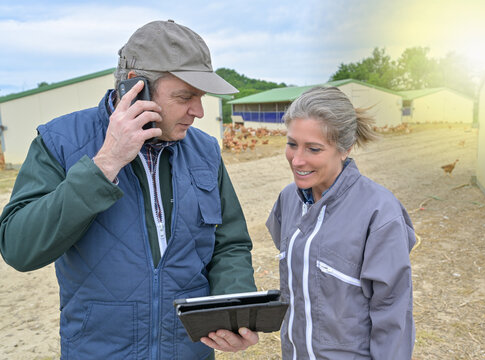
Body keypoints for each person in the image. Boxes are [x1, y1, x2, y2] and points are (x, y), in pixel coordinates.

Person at [0, 20, 258, 359]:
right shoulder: (58, 142)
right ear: (135, 87)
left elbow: (230, 244)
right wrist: (104, 164)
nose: (199, 111)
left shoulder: (205, 150)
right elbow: (19, 248)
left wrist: (233, 306)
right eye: (185, 97)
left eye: (201, 97)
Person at [266, 86, 416, 359]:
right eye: (291, 144)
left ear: (345, 149)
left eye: (313, 148)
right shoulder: (288, 200)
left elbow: (392, 315)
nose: (297, 160)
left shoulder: (379, 213)